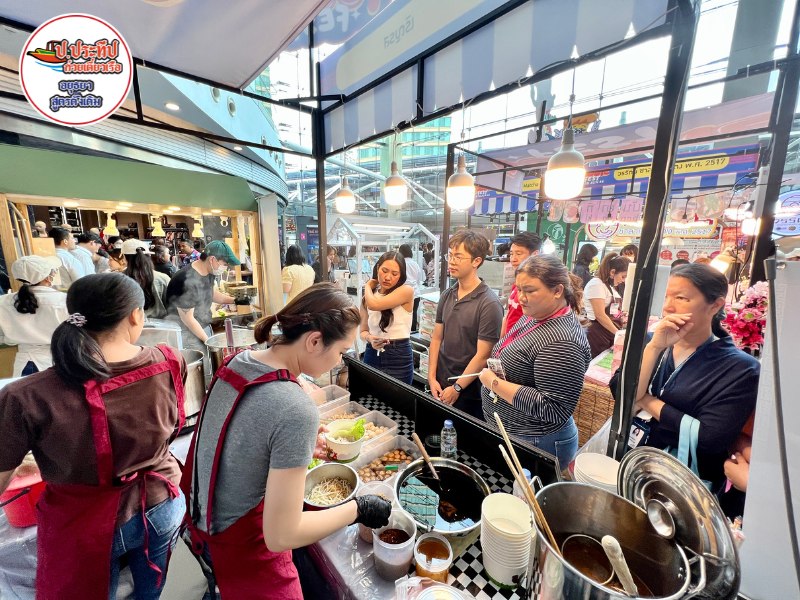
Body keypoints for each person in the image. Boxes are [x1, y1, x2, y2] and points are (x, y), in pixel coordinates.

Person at [182, 283, 390, 598]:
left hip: (203, 532)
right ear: (314, 341)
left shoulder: (238, 361)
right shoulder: (295, 407)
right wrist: (358, 509)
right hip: (246, 554)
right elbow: (282, 535)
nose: (339, 362)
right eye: (341, 351)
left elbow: (242, 442)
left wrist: (294, 450)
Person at [0, 273, 187, 599]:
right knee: (155, 592)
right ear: (135, 316)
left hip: (83, 524)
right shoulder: (169, 360)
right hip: (162, 503)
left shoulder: (25, 396)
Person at [635, 263, 760, 490]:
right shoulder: (653, 340)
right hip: (634, 457)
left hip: (685, 480)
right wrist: (653, 348)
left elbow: (709, 437)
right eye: (666, 296)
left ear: (715, 305)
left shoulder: (741, 368)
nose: (668, 307)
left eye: (681, 298)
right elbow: (620, 389)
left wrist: (644, 399)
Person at [478, 255, 590, 466]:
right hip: (513, 431)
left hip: (537, 440)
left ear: (557, 291)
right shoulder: (536, 314)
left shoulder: (563, 341)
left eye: (529, 291)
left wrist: (494, 383)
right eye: (519, 289)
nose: (521, 297)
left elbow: (554, 408)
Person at [428, 231, 503, 418]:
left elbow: (483, 355)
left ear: (476, 261)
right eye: (450, 255)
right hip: (441, 381)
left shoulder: (489, 303)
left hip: (469, 390)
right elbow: (436, 338)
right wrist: (431, 377)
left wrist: (457, 387)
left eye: (458, 257)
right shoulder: (447, 295)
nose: (452, 262)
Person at [165, 240, 238, 356]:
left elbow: (211, 293)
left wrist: (235, 300)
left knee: (211, 361)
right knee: (204, 365)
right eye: (225, 264)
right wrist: (209, 342)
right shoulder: (185, 279)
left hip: (203, 327)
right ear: (212, 259)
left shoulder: (209, 272)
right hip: (188, 335)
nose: (225, 267)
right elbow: (188, 319)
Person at [0, 256, 68, 376]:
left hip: (24, 362)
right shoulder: (64, 300)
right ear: (48, 277)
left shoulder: (3, 301)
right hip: (57, 361)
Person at [360, 251, 414, 384]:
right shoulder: (369, 297)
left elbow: (374, 305)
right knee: (369, 395)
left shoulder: (406, 291)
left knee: (399, 396)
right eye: (384, 271)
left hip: (399, 356)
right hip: (372, 353)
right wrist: (370, 338)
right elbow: (363, 331)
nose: (388, 277)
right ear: (378, 268)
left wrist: (368, 285)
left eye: (395, 274)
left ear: (401, 276)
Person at [584, 254, 630, 357]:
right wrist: (618, 334)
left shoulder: (609, 286)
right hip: (597, 334)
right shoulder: (596, 284)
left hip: (607, 332)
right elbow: (600, 315)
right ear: (612, 272)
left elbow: (613, 311)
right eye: (623, 276)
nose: (623, 280)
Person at [501, 231, 542, 336]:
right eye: (511, 254)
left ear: (535, 254)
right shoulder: (516, 285)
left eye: (519, 254)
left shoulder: (539, 288)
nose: (513, 259)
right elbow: (508, 316)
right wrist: (501, 342)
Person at [123, 239, 170, 320]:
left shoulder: (119, 280)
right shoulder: (163, 278)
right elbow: (172, 306)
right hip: (162, 325)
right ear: (149, 256)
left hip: (130, 325)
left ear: (123, 258)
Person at [398, 244, 423, 332]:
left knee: (403, 315)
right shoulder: (415, 264)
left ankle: (404, 334)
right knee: (413, 314)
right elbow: (419, 279)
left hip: (403, 294)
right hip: (415, 293)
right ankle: (413, 333)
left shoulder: (400, 264)